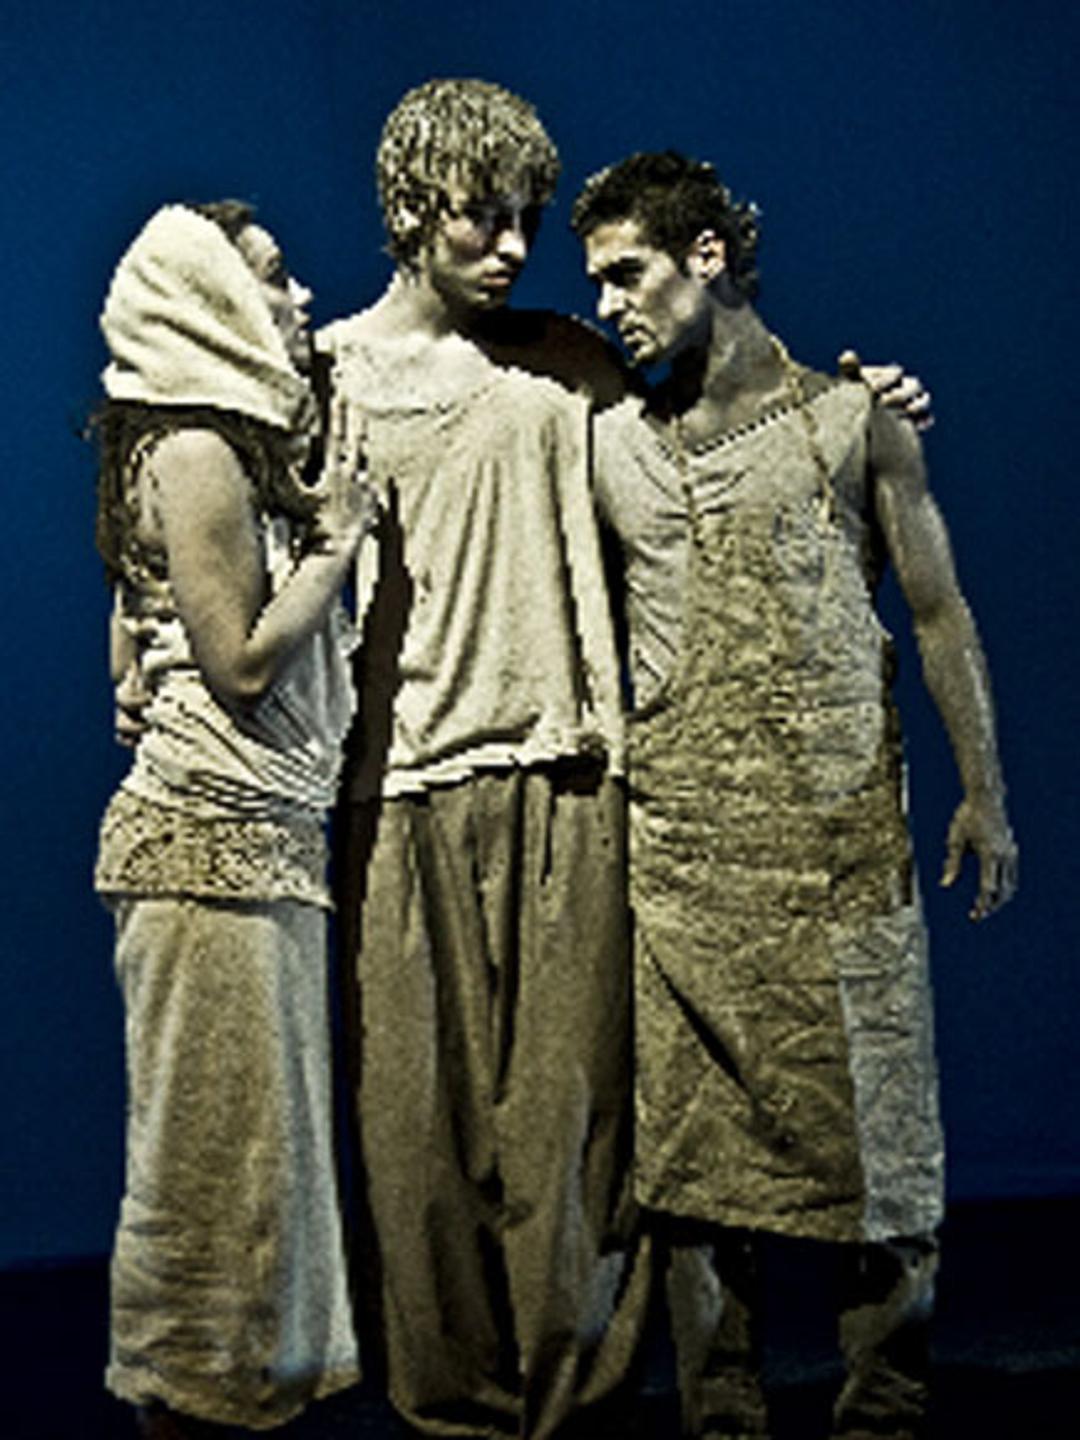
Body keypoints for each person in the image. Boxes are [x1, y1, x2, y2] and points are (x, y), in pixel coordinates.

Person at [571, 151, 1018, 1438]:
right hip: (686, 863)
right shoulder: (613, 448)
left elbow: (936, 610)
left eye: (629, 273)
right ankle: (722, 1423)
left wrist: (984, 791)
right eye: (596, 281)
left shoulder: (850, 422)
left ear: (706, 255)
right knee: (695, 1175)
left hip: (836, 853)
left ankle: (883, 1416)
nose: (608, 304)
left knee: (884, 1157)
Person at [318, 79, 651, 1440]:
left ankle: (576, 1413)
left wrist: (858, 413)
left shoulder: (566, 362)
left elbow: (697, 466)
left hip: (569, 774)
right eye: (481, 218)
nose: (512, 247)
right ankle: (453, 1414)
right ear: (410, 209)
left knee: (571, 1136)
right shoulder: (324, 378)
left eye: (526, 220)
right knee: (415, 1148)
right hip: (394, 791)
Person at [92, 201, 373, 1437]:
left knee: (245, 1177)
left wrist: (135, 682)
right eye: (270, 277)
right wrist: (337, 544)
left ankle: (223, 1400)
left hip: (246, 849)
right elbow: (243, 664)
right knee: (214, 1184)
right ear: (206, 304)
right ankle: (189, 1404)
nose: (298, 296)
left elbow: (132, 645)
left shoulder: (190, 445)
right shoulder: (197, 447)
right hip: (211, 855)